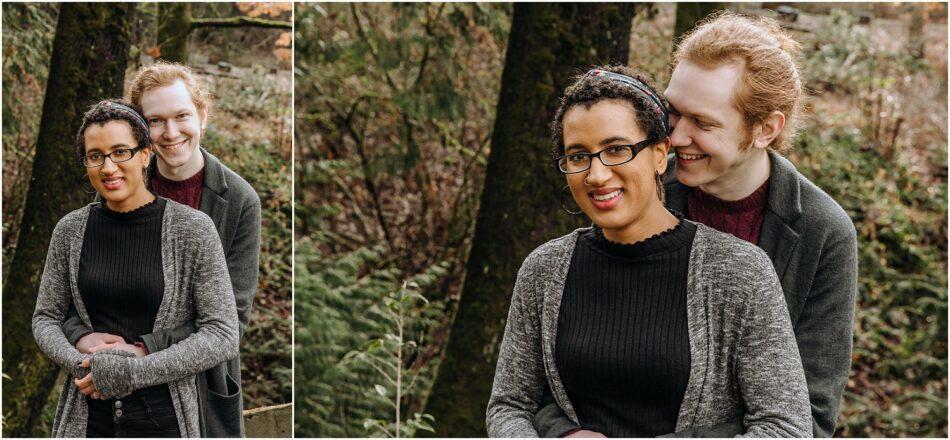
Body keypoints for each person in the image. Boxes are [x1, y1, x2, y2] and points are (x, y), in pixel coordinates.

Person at [533, 13, 858, 438]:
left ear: (765, 129)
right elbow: (557, 364)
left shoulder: (822, 232)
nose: (676, 136)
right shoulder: (632, 181)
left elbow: (809, 418)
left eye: (702, 123)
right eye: (673, 112)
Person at [486, 66, 812, 438]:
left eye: (616, 150)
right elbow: (509, 405)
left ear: (660, 154)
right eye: (578, 156)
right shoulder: (543, 270)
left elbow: (785, 427)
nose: (596, 175)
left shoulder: (740, 272)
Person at [60, 62, 262, 436]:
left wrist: (146, 350)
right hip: (109, 384)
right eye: (155, 121)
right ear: (140, 129)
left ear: (202, 116)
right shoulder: (118, 175)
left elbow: (230, 317)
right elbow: (80, 286)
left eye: (182, 116)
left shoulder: (238, 202)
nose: (170, 133)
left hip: (198, 383)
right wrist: (79, 335)